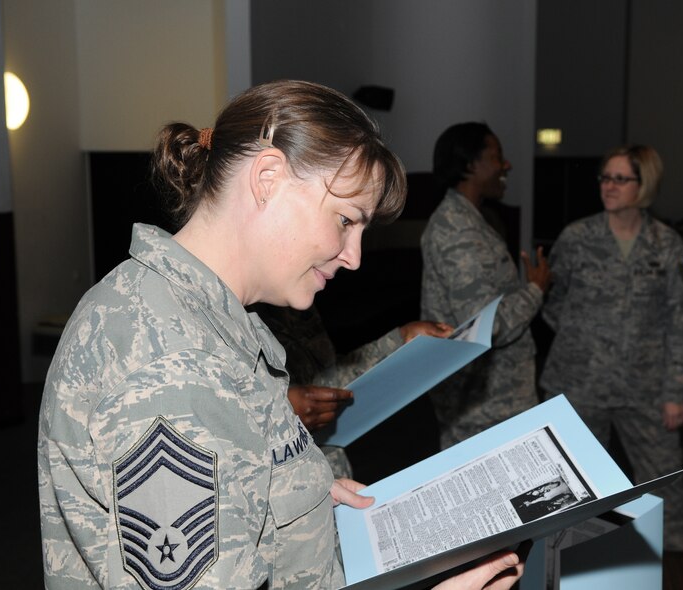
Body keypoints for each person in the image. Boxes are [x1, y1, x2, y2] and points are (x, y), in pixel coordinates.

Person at [37, 80, 525, 590]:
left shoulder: (215, 319)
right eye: (344, 220)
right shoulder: (172, 367)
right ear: (268, 176)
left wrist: (297, 497)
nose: (353, 257)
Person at [539, 144, 683, 551]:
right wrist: (589, 341)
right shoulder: (577, 237)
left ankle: (678, 566)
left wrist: (675, 393)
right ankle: (570, 567)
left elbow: (681, 321)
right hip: (579, 384)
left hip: (645, 390)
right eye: (604, 177)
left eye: (619, 179)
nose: (608, 186)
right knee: (573, 489)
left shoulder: (666, 244)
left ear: (643, 185)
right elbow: (553, 305)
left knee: (665, 483)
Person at [420, 122, 550, 449]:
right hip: (483, 410)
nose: (506, 165)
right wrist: (534, 289)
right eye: (497, 156)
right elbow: (485, 327)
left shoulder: (475, 220)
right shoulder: (457, 230)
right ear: (470, 165)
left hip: (497, 402)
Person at [255, 303, 451, 478]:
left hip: (334, 480)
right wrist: (277, 413)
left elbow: (326, 380)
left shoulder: (294, 299)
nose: (353, 263)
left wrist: (399, 341)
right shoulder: (229, 327)